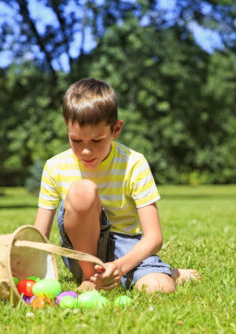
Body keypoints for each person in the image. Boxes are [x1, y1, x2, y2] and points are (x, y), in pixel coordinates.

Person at [34, 78, 199, 293]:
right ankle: (89, 278)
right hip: (82, 253)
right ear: (67, 127)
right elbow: (39, 237)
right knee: (83, 190)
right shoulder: (54, 167)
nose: (85, 150)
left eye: (96, 141)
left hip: (126, 248)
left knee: (159, 288)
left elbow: (154, 237)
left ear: (116, 129)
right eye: (76, 141)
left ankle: (166, 274)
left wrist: (119, 267)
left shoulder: (133, 163)